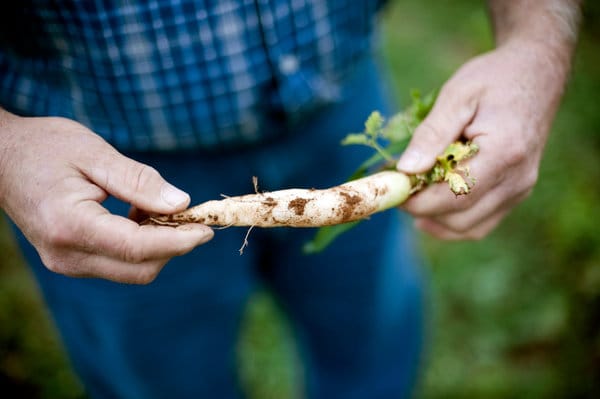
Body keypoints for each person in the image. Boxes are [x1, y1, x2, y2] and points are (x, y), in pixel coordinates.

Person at [0, 1, 580, 398]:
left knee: (372, 349)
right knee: (157, 382)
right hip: (102, 161)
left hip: (340, 110)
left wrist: (537, 43)